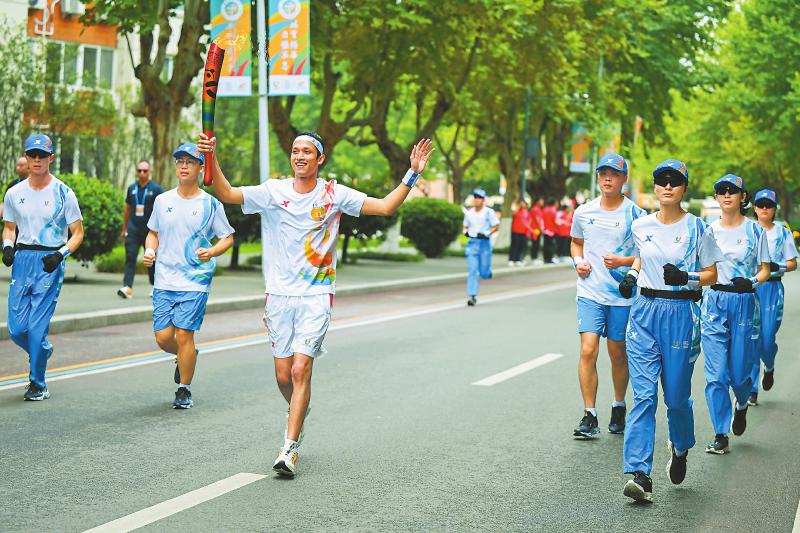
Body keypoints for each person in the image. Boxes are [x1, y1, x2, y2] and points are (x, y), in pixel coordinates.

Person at [197, 130, 434, 477]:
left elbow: (384, 206)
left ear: (320, 159)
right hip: (279, 295)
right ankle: (299, 407)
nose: (300, 156)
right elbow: (227, 193)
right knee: (282, 375)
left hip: (316, 296)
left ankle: (289, 449)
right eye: (295, 151)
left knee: (299, 370)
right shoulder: (274, 191)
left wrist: (412, 173)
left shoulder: (333, 194)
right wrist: (210, 157)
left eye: (307, 151)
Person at [617, 159, 722, 502]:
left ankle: (680, 447)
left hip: (681, 312)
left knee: (676, 398)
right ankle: (639, 472)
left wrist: (687, 278)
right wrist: (632, 276)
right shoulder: (641, 225)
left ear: (684, 188)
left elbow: (712, 274)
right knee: (644, 396)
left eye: (674, 182)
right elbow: (640, 257)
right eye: (661, 181)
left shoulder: (697, 228)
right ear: (655, 186)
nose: (667, 186)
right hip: (644, 312)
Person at [142, 143, 234, 410]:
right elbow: (153, 233)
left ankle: (184, 388)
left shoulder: (210, 204)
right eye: (180, 161)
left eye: (190, 161)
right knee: (163, 337)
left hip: (195, 279)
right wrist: (150, 250)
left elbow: (227, 237)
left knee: (184, 334)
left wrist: (213, 251)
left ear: (200, 168)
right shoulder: (162, 201)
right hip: (164, 279)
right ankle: (187, 356)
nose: (183, 166)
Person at [2, 134, 84, 401]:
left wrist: (61, 255)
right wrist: (6, 246)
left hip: (50, 262)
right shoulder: (14, 193)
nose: (36, 160)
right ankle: (42, 350)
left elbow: (77, 233)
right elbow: (9, 228)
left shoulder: (64, 193)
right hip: (23, 261)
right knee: (16, 330)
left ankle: (38, 383)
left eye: (41, 155)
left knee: (36, 330)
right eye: (32, 155)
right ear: (26, 158)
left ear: (51, 158)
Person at [570, 154, 645, 438]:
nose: (607, 178)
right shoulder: (584, 212)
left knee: (617, 353)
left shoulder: (636, 215)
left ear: (624, 179)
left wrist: (624, 264)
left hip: (622, 296)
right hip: (590, 291)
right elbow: (576, 244)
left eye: (614, 174)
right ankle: (589, 414)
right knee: (588, 349)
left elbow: (643, 255)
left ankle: (618, 405)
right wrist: (578, 263)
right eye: (603, 173)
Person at [700, 175, 770, 454]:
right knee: (716, 375)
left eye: (733, 191)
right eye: (721, 191)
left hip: (744, 302)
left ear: (743, 197)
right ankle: (720, 432)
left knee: (740, 376)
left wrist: (751, 282)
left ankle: (741, 404)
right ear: (716, 198)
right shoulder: (708, 231)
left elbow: (764, 268)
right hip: (715, 302)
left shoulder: (755, 232)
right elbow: (703, 269)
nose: (727, 195)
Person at [747, 189, 798, 406]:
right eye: (761, 205)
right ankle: (752, 388)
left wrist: (777, 266)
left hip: (772, 290)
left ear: (774, 208)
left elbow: (793, 263)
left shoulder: (783, 234)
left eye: (769, 205)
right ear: (755, 208)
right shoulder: (748, 230)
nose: (764, 209)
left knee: (767, 339)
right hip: (751, 289)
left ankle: (769, 365)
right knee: (751, 340)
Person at [118, 160, 163, 299]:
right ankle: (127, 287)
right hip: (133, 228)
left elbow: (162, 210)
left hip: (150, 231)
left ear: (149, 172)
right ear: (136, 172)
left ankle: (155, 286)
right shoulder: (132, 188)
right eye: (139, 171)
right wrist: (124, 228)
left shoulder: (156, 189)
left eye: (145, 171)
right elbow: (128, 209)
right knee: (130, 256)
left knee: (151, 257)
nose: (142, 173)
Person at [463, 188, 499, 306]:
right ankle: (472, 296)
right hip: (473, 244)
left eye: (480, 198)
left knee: (483, 273)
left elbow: (495, 226)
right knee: (472, 270)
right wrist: (466, 233)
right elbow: (465, 227)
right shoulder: (469, 213)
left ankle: (487, 273)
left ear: (483, 200)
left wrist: (487, 233)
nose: (477, 200)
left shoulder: (489, 212)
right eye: (476, 197)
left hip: (484, 244)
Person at [0, 156, 30, 221]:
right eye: (17, 165)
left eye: (21, 166)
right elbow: (4, 203)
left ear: (29, 168)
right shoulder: (12, 184)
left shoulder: (36, 184)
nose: (17, 168)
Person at [509, 198, 531, 266]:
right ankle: (511, 259)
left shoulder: (526, 212)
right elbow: (514, 213)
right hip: (515, 231)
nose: (523, 204)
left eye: (524, 203)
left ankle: (518, 259)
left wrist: (528, 231)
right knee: (514, 246)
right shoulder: (516, 210)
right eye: (521, 203)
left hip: (523, 232)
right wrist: (518, 206)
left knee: (521, 246)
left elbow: (529, 222)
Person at [542, 199, 558, 263]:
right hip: (552, 231)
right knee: (551, 245)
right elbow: (555, 221)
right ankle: (550, 258)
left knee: (546, 245)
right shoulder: (553, 210)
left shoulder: (545, 209)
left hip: (545, 230)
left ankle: (545, 259)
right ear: (554, 203)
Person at [529, 198, 544, 263]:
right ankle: (534, 258)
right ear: (537, 201)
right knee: (535, 243)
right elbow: (537, 219)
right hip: (535, 230)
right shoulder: (535, 209)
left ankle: (535, 258)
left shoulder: (538, 209)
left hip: (537, 230)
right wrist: (541, 228)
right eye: (541, 201)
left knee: (536, 243)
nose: (542, 202)